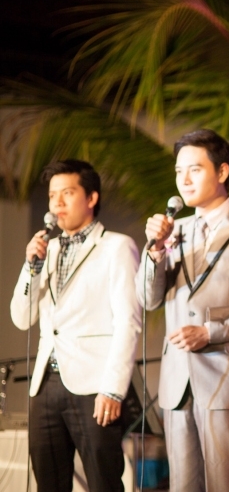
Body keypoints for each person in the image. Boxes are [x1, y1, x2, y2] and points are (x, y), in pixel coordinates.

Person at [137, 129, 229, 492]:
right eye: (179, 171)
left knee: (226, 483)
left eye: (195, 169)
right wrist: (154, 252)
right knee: (182, 485)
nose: (184, 180)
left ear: (222, 171)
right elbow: (148, 299)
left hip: (224, 375)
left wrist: (210, 332)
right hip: (177, 380)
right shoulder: (173, 232)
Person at [10, 159, 141, 492]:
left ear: (91, 197)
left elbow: (128, 321)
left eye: (67, 193)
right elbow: (21, 317)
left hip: (94, 384)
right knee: (48, 483)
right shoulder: (48, 249)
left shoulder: (116, 246)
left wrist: (113, 388)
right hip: (46, 383)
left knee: (102, 481)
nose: (57, 203)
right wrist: (30, 267)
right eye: (52, 195)